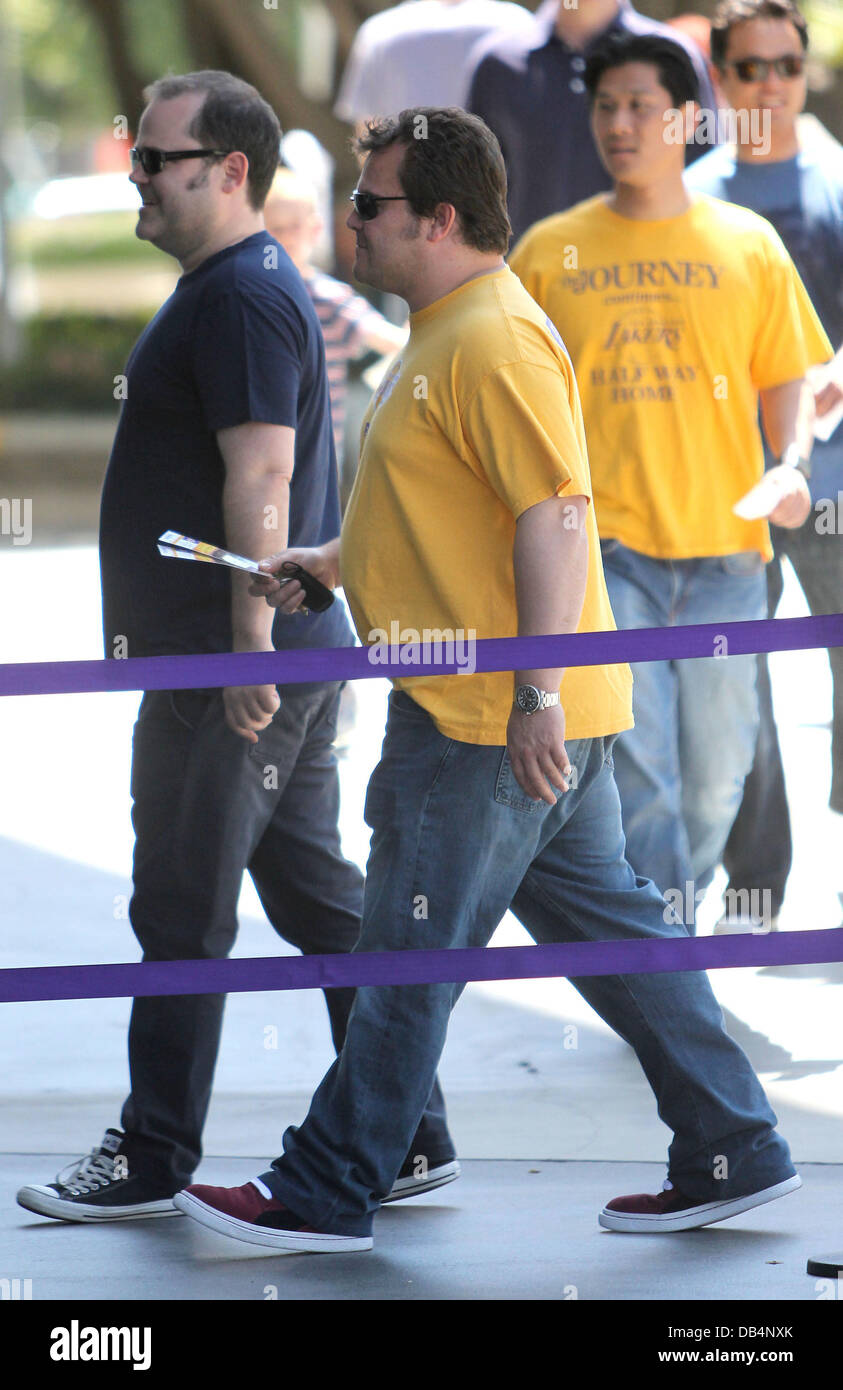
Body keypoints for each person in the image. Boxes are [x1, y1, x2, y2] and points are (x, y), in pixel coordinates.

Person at [172, 107, 800, 1254]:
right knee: (616, 944)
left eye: (372, 205)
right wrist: (336, 563)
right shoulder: (454, 329)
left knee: (404, 955)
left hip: (484, 722)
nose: (352, 222)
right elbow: (456, 509)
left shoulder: (491, 339)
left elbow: (557, 519)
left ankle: (331, 1178)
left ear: (441, 219)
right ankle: (732, 1141)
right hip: (509, 712)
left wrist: (533, 695)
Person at [16, 70, 455, 1225]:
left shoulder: (244, 298)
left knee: (179, 901)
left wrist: (247, 643)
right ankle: (409, 1128)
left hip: (237, 664)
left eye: (158, 160)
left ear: (230, 172)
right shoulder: (237, 289)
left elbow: (260, 470)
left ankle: (154, 1151)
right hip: (258, 653)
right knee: (314, 897)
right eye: (140, 157)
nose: (138, 178)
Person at [509, 32, 831, 933]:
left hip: (729, 558)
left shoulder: (747, 243)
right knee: (640, 776)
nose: (619, 124)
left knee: (719, 775)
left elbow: (786, 382)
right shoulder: (548, 250)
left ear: (687, 119)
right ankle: (666, 959)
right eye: (605, 106)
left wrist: (791, 469)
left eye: (639, 106)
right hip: (609, 564)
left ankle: (661, 948)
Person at [685, 0, 843, 932]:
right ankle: (753, 883)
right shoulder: (689, 195)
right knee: (728, 679)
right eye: (750, 69)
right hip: (718, 488)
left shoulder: (835, 177)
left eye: (786, 66)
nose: (770, 85)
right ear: (719, 73)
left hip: (833, 485)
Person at [466, 0, 717, 243]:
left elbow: (705, 176)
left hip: (657, 270)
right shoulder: (498, 62)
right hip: (529, 276)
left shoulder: (673, 55)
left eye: (639, 104)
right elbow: (476, 190)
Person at [263, 167, 408, 503]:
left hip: (315, 461)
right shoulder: (248, 296)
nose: (285, 238)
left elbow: (388, 341)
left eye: (294, 228)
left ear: (314, 230)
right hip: (262, 453)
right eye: (275, 229)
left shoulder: (329, 300)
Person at [334, 0, 535, 128]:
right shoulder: (520, 25)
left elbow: (368, 137)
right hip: (500, 190)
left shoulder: (378, 32)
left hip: (407, 190)